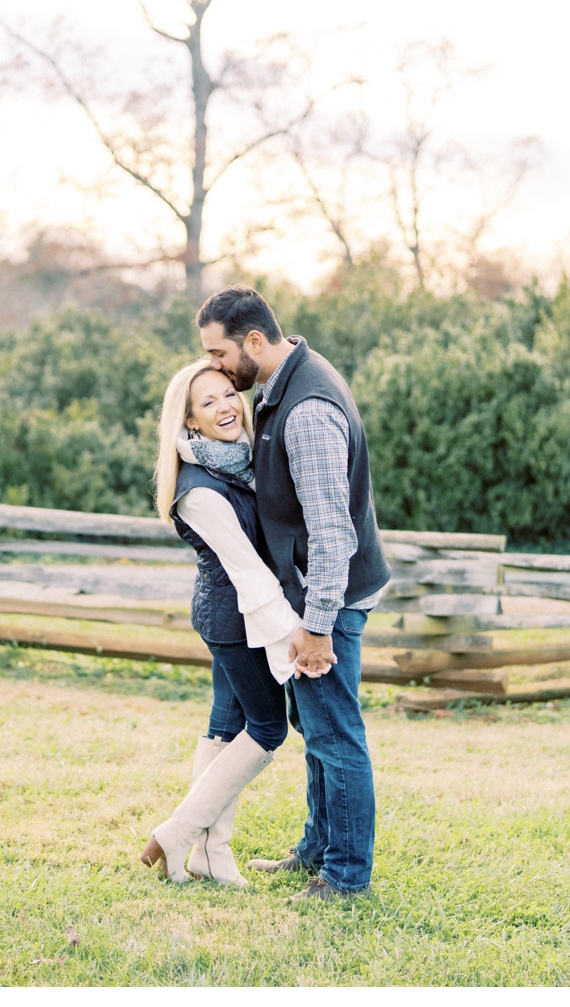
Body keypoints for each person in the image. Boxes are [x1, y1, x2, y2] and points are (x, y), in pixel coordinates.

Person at [195, 285, 390, 903]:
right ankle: (316, 848)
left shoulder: (304, 410)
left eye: (219, 353)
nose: (216, 367)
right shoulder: (287, 384)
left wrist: (319, 624)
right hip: (313, 597)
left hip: (326, 601)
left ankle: (346, 876)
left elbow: (333, 530)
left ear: (254, 341)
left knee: (335, 734)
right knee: (316, 727)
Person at [139, 359, 301, 887]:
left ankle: (213, 853)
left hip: (236, 610)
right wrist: (295, 633)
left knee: (223, 727)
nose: (226, 406)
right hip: (233, 617)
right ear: (189, 422)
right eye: (207, 403)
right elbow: (249, 572)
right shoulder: (201, 490)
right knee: (269, 728)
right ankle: (178, 833)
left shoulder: (238, 463)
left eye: (228, 393)